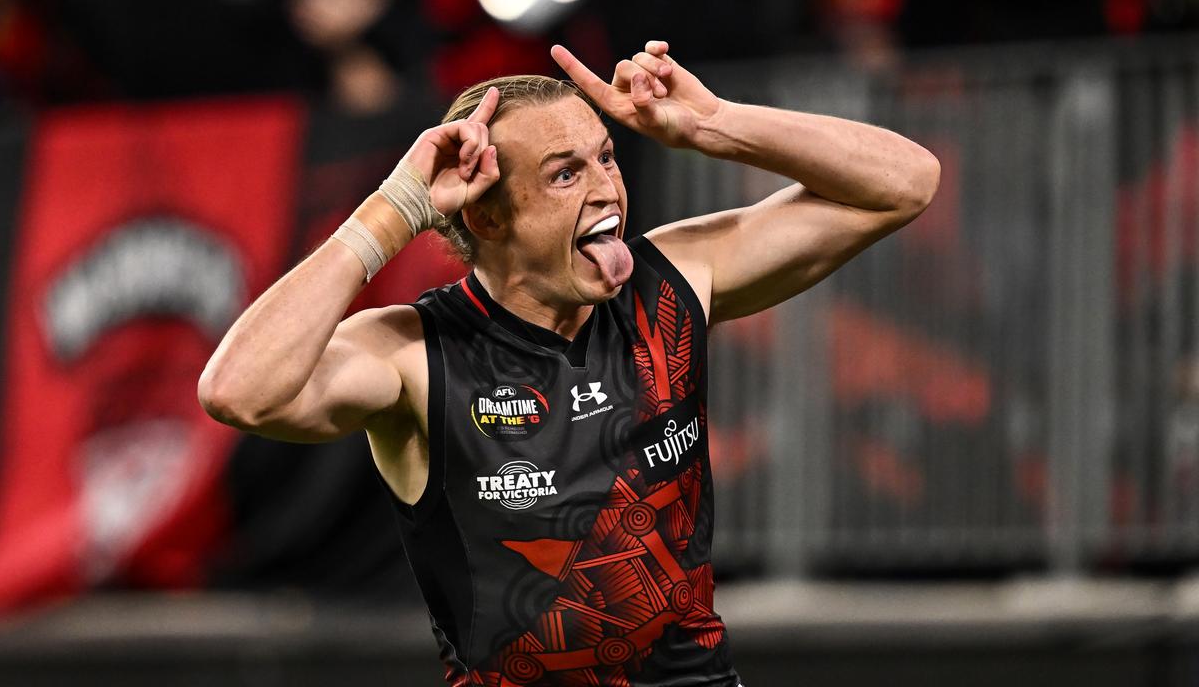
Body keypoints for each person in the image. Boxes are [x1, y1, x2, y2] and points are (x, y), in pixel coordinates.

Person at [198, 39, 939, 686]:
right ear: (488, 215)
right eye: (564, 174)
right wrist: (391, 212)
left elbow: (906, 183)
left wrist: (716, 125)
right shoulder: (416, 352)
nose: (607, 189)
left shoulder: (673, 280)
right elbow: (240, 392)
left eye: (606, 157)